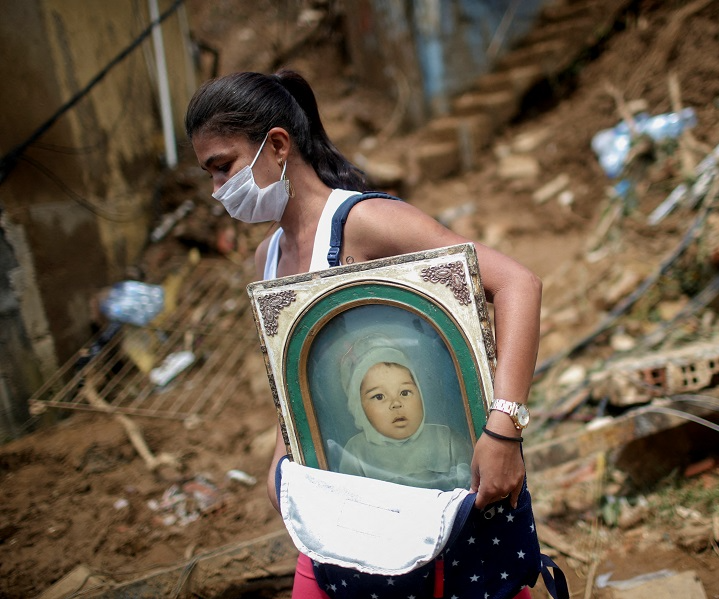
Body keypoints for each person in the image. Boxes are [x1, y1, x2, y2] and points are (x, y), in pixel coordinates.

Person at [186, 69, 542, 599]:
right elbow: (299, 377)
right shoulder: (267, 260)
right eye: (209, 176)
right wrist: (281, 455)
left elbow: (517, 283)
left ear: (277, 145)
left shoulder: (366, 222)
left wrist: (503, 431)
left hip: (437, 506)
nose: (219, 191)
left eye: (224, 168)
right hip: (342, 518)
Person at [335, 333, 473, 490]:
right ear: (358, 407)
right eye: (379, 396)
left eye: (405, 392)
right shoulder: (356, 453)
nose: (396, 404)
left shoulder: (447, 440)